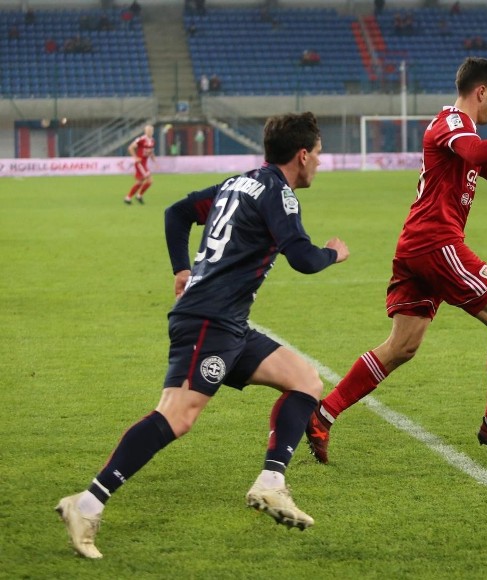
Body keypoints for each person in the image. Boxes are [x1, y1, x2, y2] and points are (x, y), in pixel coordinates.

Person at [55, 112, 350, 559]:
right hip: (209, 321)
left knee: (305, 381)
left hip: (226, 321)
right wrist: (334, 253)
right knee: (177, 415)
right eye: (320, 154)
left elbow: (176, 213)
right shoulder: (277, 193)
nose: (321, 164)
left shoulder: (238, 182)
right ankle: (87, 502)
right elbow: (304, 259)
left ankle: (271, 483)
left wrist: (181, 267)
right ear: (303, 154)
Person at [304, 57, 487, 463]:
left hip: (419, 246)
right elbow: (476, 151)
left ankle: (322, 416)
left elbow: (481, 163)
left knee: (402, 346)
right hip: (436, 243)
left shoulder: (460, 129)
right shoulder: (451, 123)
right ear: (480, 91)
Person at [123, 124, 155, 204]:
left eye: (151, 130)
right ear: (145, 131)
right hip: (140, 163)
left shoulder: (152, 141)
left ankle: (128, 198)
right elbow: (130, 147)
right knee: (149, 180)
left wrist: (152, 156)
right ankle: (138, 196)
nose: (149, 132)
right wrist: (135, 157)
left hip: (144, 164)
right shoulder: (141, 139)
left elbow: (150, 151)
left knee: (140, 182)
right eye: (148, 130)